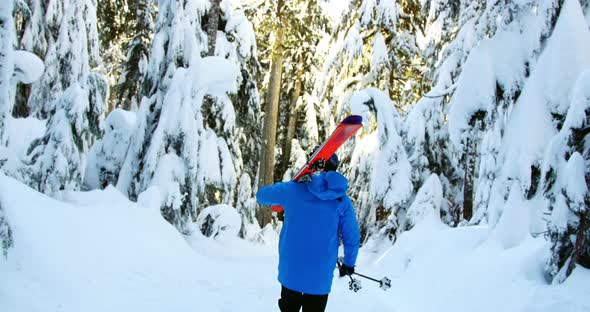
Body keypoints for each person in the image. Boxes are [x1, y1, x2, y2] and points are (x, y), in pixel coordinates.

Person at [256, 154, 361, 312]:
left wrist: (290, 186)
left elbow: (261, 196)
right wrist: (349, 263)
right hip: (320, 277)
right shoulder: (342, 201)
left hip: (291, 272)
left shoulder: (291, 190)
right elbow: (351, 236)